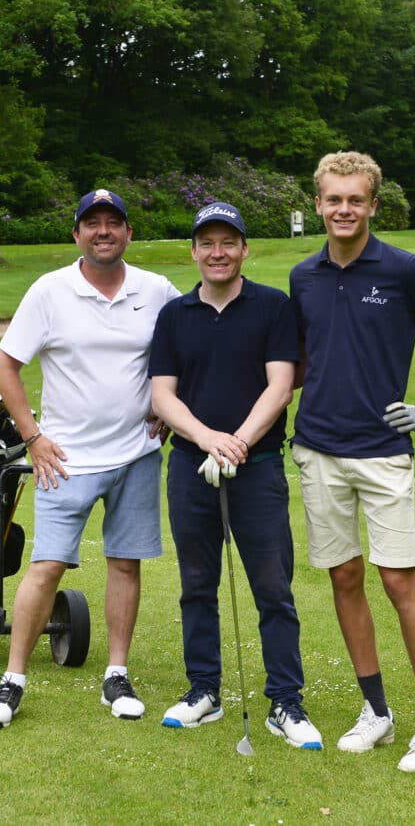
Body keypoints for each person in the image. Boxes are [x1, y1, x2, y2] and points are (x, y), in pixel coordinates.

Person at [288, 151, 415, 772]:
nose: (344, 209)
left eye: (356, 199)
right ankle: (376, 710)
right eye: (333, 199)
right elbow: (302, 362)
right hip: (317, 449)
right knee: (344, 577)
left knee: (399, 580)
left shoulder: (404, 269)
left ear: (373, 205)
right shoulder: (303, 276)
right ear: (318, 204)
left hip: (381, 453)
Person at [0, 189, 180, 729]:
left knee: (125, 562)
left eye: (114, 223)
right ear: (77, 234)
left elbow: (191, 345)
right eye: (93, 223)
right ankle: (13, 678)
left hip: (136, 454)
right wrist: (33, 437)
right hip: (64, 458)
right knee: (46, 567)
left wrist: (170, 406)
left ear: (128, 233)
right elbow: (5, 365)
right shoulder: (50, 291)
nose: (103, 231)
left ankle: (117, 673)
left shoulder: (156, 290)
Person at [148, 203, 321, 749]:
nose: (217, 253)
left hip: (258, 469)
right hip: (190, 467)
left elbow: (280, 386)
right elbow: (162, 395)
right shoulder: (174, 315)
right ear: (194, 251)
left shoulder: (272, 307)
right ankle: (204, 690)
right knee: (197, 585)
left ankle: (285, 702)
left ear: (245, 249)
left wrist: (237, 442)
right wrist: (208, 439)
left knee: (273, 589)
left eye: (228, 243)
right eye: (207, 243)